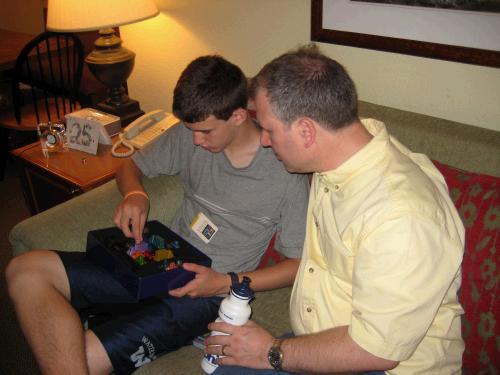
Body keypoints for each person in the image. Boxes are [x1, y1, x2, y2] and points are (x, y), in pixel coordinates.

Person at [6, 55, 309, 375]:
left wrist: (224, 283)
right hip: (155, 259)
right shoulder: (189, 134)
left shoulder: (284, 172)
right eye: (190, 129)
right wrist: (136, 194)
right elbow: (130, 165)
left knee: (79, 356)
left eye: (205, 132)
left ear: (237, 116)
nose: (195, 141)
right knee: (25, 268)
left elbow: (296, 264)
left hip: (202, 291)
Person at [205, 45, 465, 374]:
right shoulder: (346, 149)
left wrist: (271, 352)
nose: (266, 142)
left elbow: (377, 351)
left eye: (269, 130)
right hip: (326, 341)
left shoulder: (402, 216)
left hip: (379, 365)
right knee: (221, 365)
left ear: (306, 132)